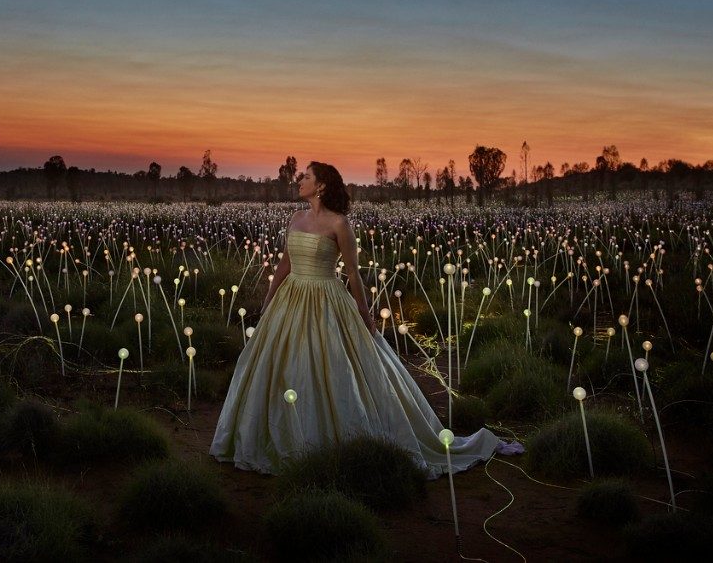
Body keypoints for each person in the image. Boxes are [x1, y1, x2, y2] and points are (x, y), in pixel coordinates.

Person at [209, 160, 520, 477]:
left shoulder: (339, 224)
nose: (299, 180)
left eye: (306, 176)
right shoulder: (296, 218)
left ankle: (330, 441)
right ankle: (278, 437)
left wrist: (365, 313)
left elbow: (354, 274)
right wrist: (269, 297)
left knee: (324, 365)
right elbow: (285, 264)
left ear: (321, 186)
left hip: (326, 300)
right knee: (279, 365)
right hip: (290, 299)